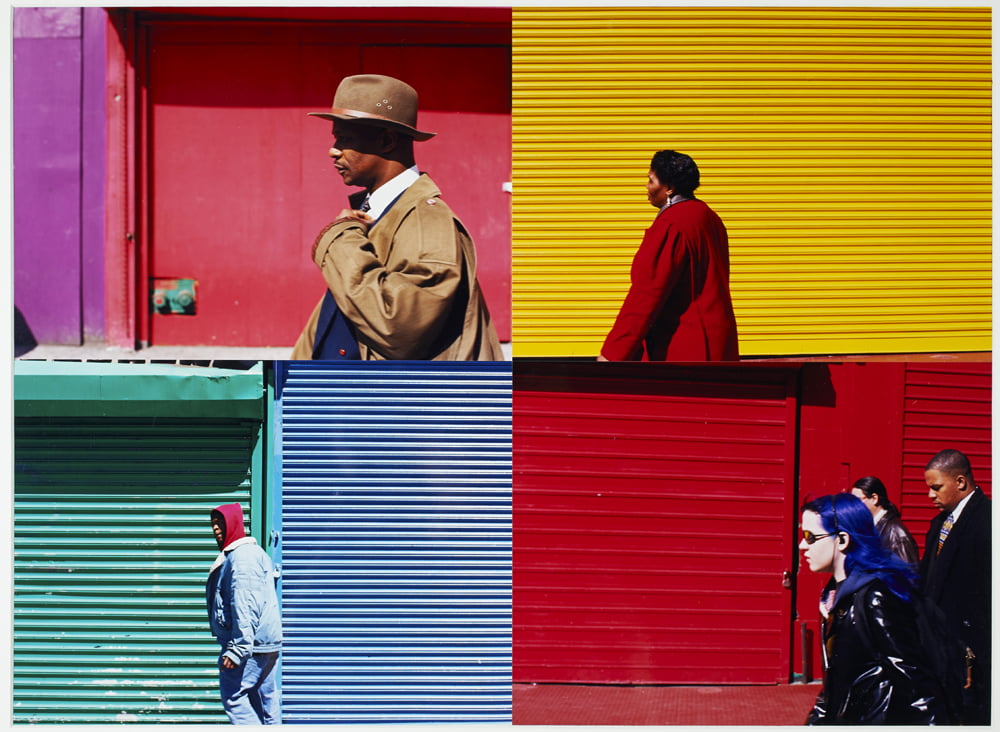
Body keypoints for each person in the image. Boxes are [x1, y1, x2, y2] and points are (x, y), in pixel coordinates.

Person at [291, 74, 503, 361]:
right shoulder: (380, 210)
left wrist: (341, 239)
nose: (333, 150)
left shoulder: (426, 219)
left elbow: (399, 326)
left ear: (387, 140)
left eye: (345, 139)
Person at [799, 493, 945, 724]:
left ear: (843, 540)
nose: (802, 545)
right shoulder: (834, 598)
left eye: (810, 537)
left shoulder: (875, 597)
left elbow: (917, 684)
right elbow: (834, 687)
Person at [598, 150, 739, 361]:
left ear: (669, 188)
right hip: (717, 343)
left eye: (651, 180)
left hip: (684, 348)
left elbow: (646, 295)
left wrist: (613, 353)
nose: (646, 187)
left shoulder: (671, 225)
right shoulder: (709, 217)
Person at [919, 449, 991, 724]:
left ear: (960, 482)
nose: (930, 495)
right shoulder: (939, 522)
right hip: (941, 650)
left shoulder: (987, 521)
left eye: (936, 487)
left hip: (973, 657)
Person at [207, 503, 282, 724]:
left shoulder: (242, 558)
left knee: (233, 697)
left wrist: (238, 649)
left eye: (220, 523)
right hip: (263, 642)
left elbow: (245, 604)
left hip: (251, 646)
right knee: (265, 702)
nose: (216, 529)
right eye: (213, 524)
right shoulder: (248, 554)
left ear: (234, 524)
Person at [850, 475, 919, 564]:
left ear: (874, 498)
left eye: (858, 500)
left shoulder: (895, 532)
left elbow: (908, 574)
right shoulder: (871, 527)